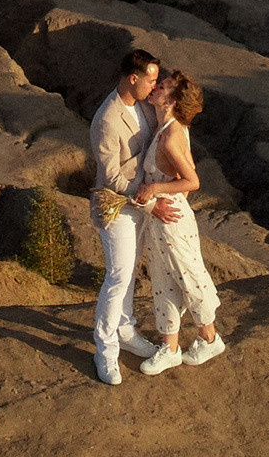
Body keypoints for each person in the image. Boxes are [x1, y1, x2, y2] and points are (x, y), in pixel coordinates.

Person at [86, 47, 178, 386]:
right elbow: (112, 177)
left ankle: (125, 331)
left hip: (141, 203)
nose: (155, 85)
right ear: (133, 78)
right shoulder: (107, 119)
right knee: (118, 276)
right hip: (118, 207)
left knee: (130, 273)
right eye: (151, 80)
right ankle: (105, 349)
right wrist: (150, 202)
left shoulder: (143, 105)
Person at [133, 71, 224, 374]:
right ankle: (169, 348)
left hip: (171, 219)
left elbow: (193, 181)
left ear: (171, 101)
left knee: (189, 277)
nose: (157, 87)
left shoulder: (171, 136)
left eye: (164, 87)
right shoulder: (170, 128)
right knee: (163, 282)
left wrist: (155, 190)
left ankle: (210, 338)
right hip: (161, 217)